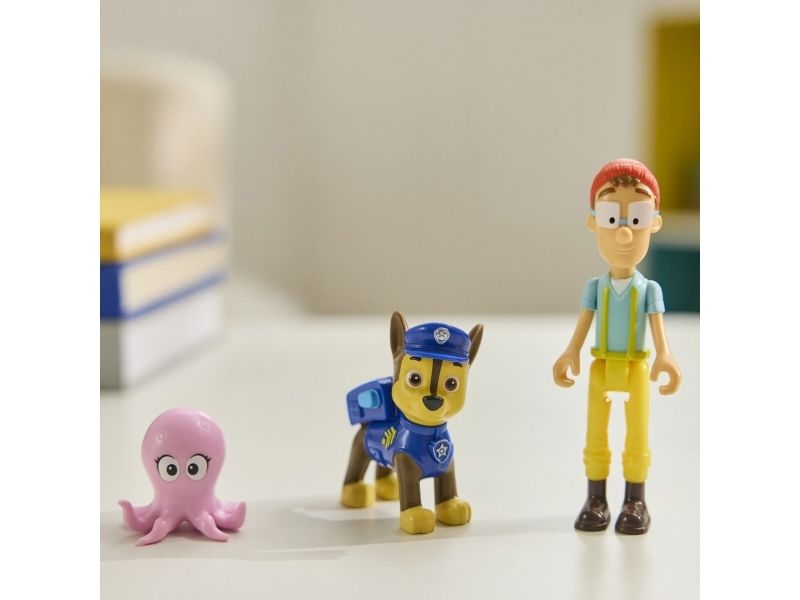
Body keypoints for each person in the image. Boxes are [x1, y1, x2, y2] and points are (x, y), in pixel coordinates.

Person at [553, 158, 681, 534]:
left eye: (637, 218)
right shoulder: (596, 288)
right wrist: (570, 352)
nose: (624, 234)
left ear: (654, 223)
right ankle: (596, 499)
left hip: (636, 369)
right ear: (593, 222)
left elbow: (659, 332)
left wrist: (666, 356)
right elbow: (582, 328)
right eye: (612, 218)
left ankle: (635, 501)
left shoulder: (649, 290)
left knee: (636, 436)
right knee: (596, 434)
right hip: (600, 367)